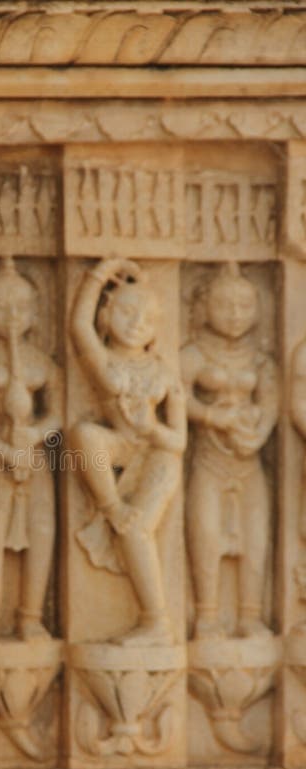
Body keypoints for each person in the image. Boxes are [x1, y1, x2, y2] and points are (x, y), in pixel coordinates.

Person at [70, 258, 186, 647]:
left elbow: (178, 441)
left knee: (138, 530)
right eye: (127, 311)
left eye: (149, 317)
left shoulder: (163, 371)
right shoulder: (104, 361)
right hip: (119, 446)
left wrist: (151, 427)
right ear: (107, 313)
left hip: (157, 454)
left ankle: (157, 622)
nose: (138, 322)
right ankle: (111, 506)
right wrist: (101, 275)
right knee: (84, 434)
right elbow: (78, 327)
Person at [0, 258, 63, 642]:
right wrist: (4, 451)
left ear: (36, 312)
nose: (13, 317)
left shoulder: (41, 363)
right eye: (2, 308)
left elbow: (58, 413)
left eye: (22, 308)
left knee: (41, 532)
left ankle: (31, 616)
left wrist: (36, 434)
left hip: (33, 460)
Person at [182, 263, 277, 639]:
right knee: (205, 534)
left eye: (244, 305)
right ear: (203, 307)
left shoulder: (259, 360)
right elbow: (177, 397)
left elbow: (272, 405)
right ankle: (207, 615)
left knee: (255, 538)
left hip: (248, 462)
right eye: (225, 305)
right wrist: (210, 416)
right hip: (208, 461)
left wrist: (259, 431)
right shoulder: (192, 354)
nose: (235, 314)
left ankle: (250, 616)